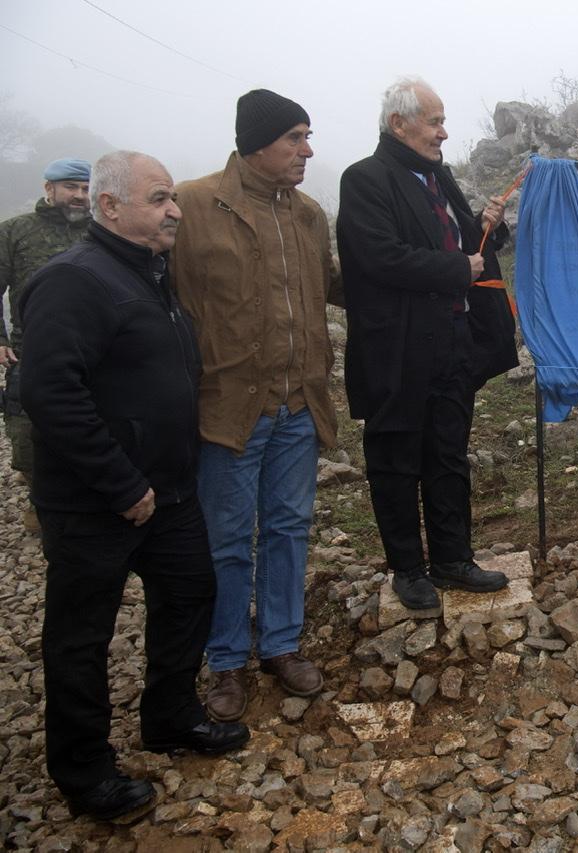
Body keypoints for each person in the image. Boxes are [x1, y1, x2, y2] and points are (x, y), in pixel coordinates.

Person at [20, 151, 249, 821]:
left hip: (169, 489)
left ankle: (170, 716)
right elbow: (50, 392)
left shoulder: (148, 273)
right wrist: (120, 483)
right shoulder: (73, 280)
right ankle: (84, 771)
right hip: (96, 501)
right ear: (110, 206)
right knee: (81, 635)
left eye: (172, 198)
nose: (175, 211)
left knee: (189, 593)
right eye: (158, 199)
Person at [170, 90, 341, 723]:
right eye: (295, 137)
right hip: (227, 408)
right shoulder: (192, 205)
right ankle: (225, 661)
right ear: (257, 142)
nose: (307, 150)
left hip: (299, 403)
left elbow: (333, 285)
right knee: (226, 540)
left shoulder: (309, 214)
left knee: (289, 528)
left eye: (307, 136)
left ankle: (280, 645)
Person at [337, 77, 517, 612]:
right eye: (434, 122)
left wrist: (487, 228)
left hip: (452, 343)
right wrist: (457, 268)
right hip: (396, 350)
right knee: (395, 462)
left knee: (447, 454)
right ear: (399, 124)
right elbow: (379, 257)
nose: (443, 132)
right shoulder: (365, 179)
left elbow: (462, 242)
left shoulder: (438, 176)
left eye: (442, 121)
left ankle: (453, 559)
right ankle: (408, 569)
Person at [0, 158, 93, 531]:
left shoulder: (103, 234)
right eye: (71, 187)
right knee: (26, 435)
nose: (79, 196)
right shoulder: (15, 231)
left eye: (86, 189)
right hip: (32, 354)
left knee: (92, 431)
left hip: (93, 355)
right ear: (49, 188)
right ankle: (39, 499)